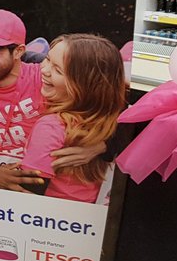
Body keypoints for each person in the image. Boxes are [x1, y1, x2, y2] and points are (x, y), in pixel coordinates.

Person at [0, 8, 106, 191]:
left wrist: (103, 146)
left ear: (19, 51)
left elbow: (107, 104)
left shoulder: (46, 81)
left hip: (29, 195)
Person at [19, 34, 126, 203]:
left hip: (46, 220)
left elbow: (27, 194)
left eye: (57, 70)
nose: (44, 70)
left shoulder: (51, 126)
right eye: (47, 59)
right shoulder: (108, 123)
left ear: (83, 85)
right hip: (82, 220)